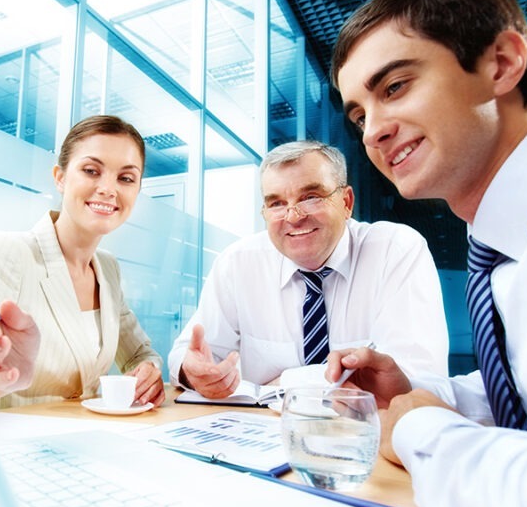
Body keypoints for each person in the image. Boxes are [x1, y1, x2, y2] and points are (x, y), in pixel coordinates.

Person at [330, 0, 527, 507]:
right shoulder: (499, 244)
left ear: (501, 64)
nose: (372, 132)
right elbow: (526, 389)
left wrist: (425, 432)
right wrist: (414, 396)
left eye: (395, 87)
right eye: (359, 114)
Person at [167, 140, 448, 399]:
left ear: (346, 203)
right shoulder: (238, 262)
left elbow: (413, 377)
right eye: (276, 203)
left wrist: (285, 383)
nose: (293, 216)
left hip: (366, 437)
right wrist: (192, 371)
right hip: (262, 436)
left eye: (311, 197)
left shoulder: (395, 250)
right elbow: (189, 354)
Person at [0, 115, 165, 409]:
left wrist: (149, 373)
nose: (109, 189)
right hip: (10, 447)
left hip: (84, 446)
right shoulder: (6, 252)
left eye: (126, 178)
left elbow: (140, 354)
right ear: (60, 178)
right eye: (91, 170)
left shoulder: (107, 269)